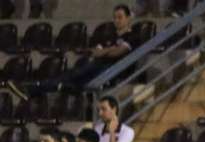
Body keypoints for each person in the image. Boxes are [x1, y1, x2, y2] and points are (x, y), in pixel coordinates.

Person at [12, 4, 140, 97]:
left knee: (74, 75)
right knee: (75, 73)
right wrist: (110, 49)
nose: (117, 20)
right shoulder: (110, 35)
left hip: (114, 71)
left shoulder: (132, 36)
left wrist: (107, 50)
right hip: (99, 66)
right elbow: (96, 52)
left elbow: (118, 52)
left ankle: (33, 88)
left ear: (128, 18)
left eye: (120, 17)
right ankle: (37, 88)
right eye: (115, 17)